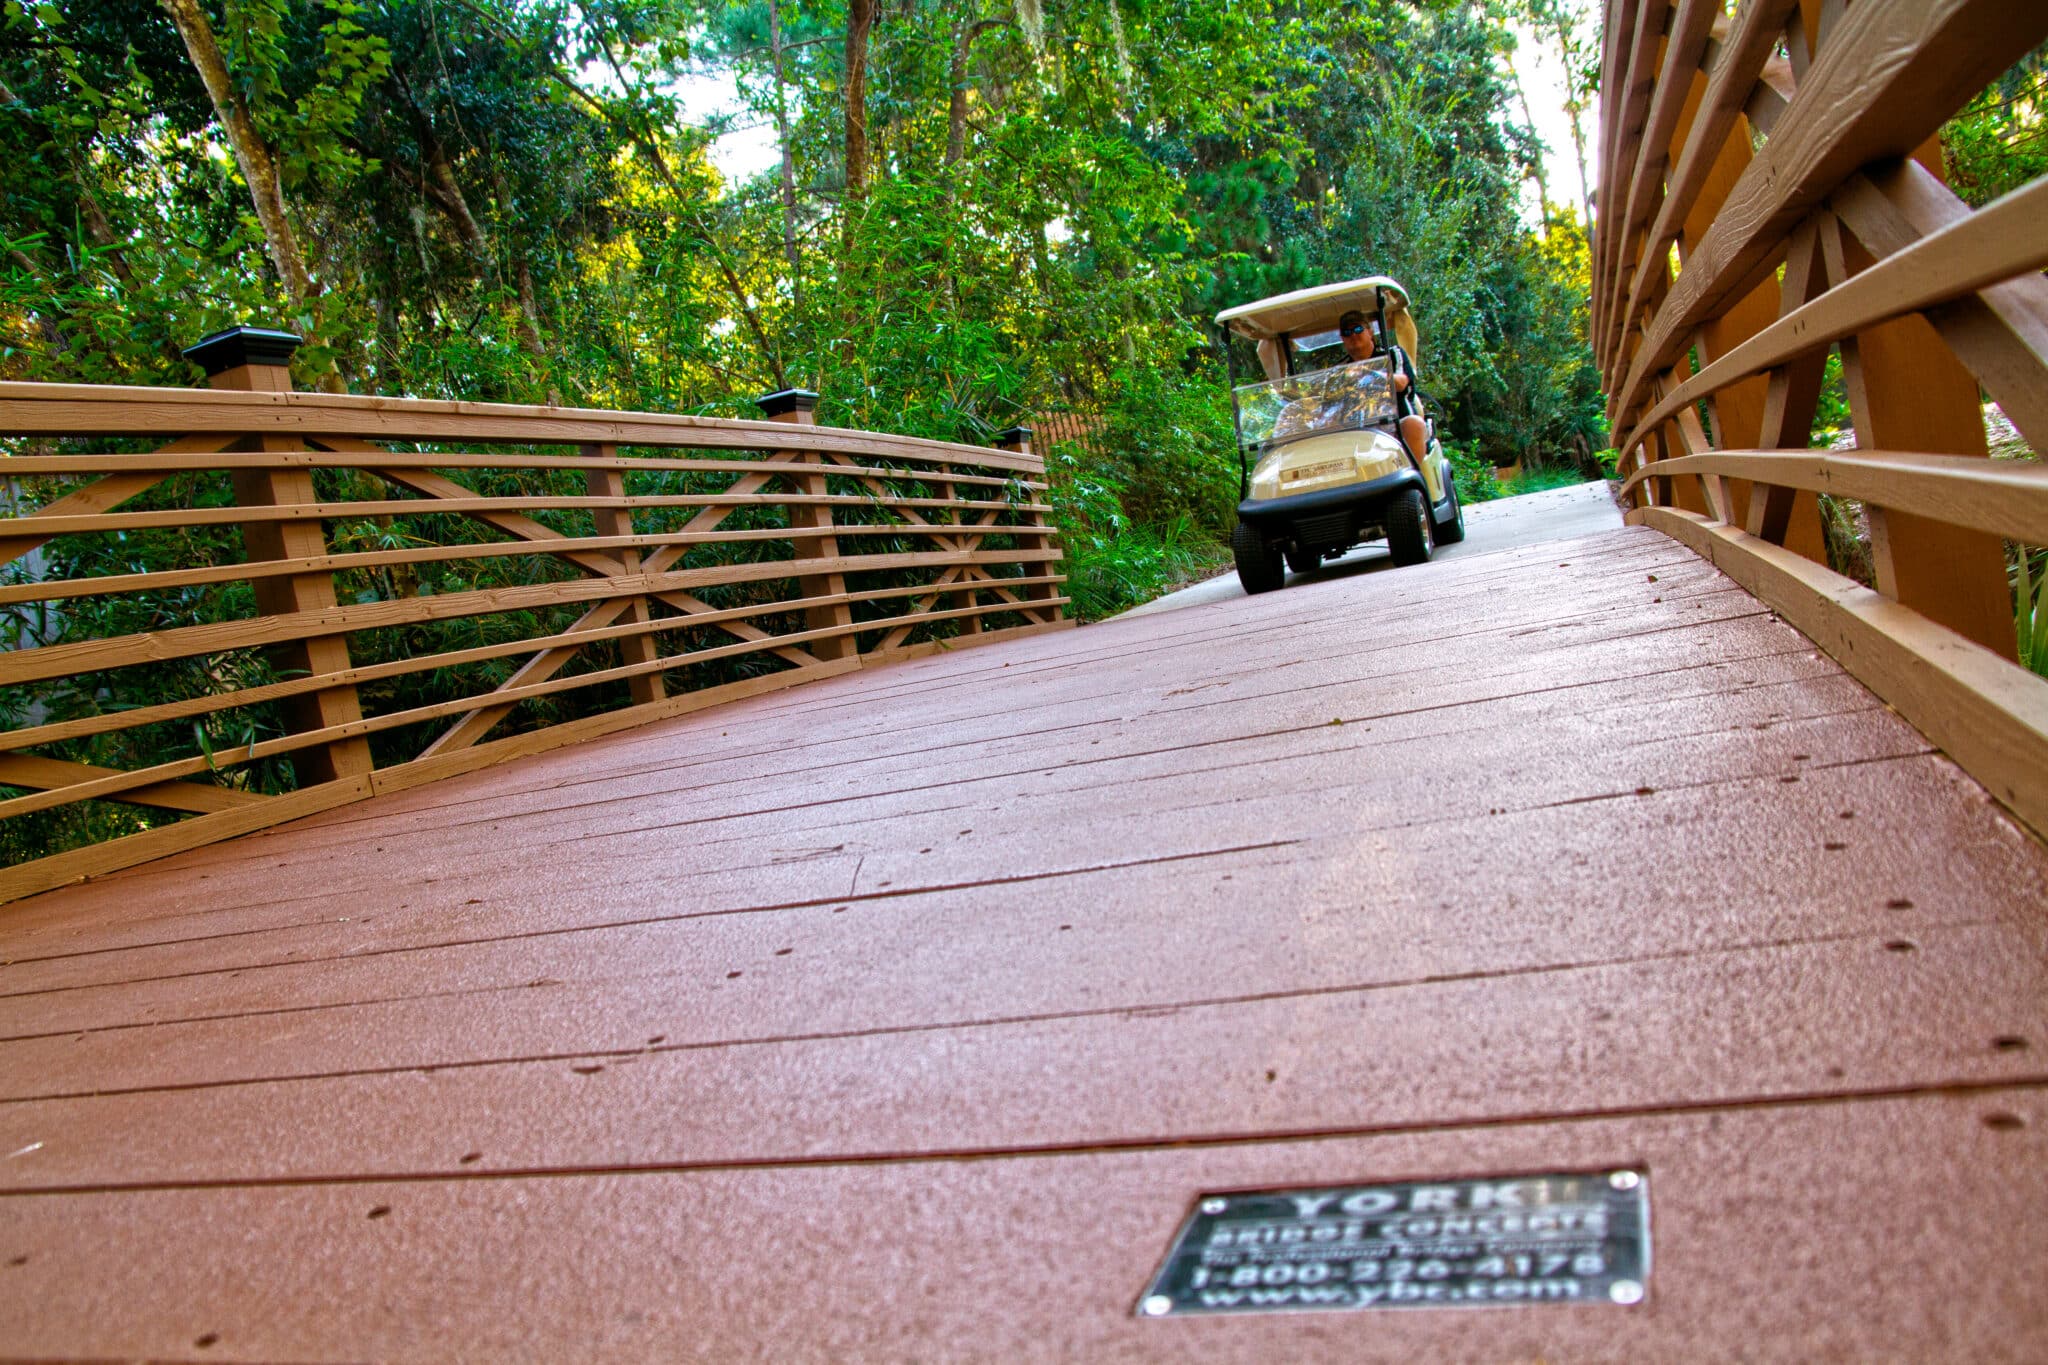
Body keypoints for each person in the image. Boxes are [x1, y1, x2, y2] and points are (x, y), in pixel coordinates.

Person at [1338, 308, 1431, 462]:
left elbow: (1401, 383)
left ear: (1370, 331)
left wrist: (1367, 373)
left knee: (1414, 424)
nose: (1353, 335)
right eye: (1347, 333)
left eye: (1358, 329)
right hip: (1358, 431)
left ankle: (1413, 480)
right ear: (1343, 339)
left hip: (1397, 427)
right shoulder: (1341, 369)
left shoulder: (1393, 354)